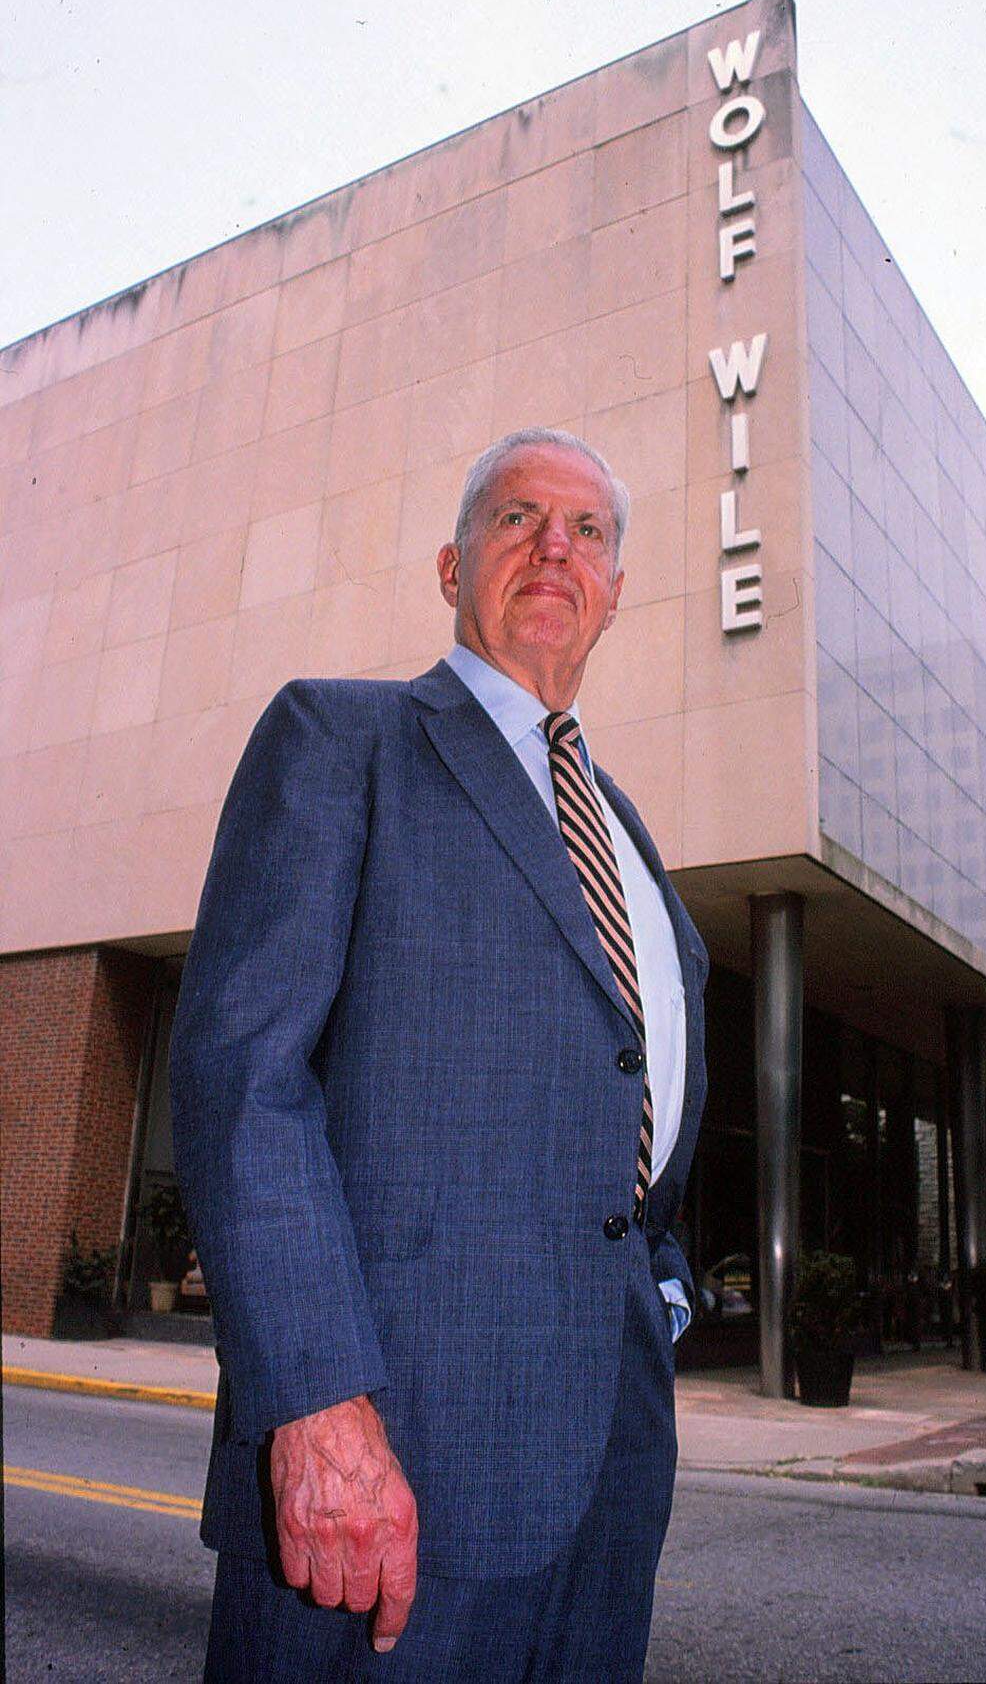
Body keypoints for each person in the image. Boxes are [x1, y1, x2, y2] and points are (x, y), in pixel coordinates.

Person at [170, 427, 708, 1681]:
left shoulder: (631, 844)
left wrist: (665, 1288)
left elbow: (633, 1127)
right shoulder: (340, 741)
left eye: (587, 531)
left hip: (608, 1487)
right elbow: (244, 1080)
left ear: (616, 593)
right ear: (451, 567)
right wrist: (312, 1404)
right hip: (388, 1479)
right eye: (516, 517)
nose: (553, 546)